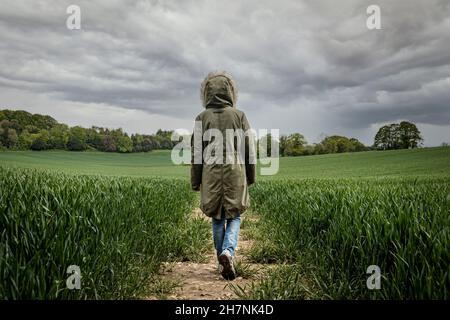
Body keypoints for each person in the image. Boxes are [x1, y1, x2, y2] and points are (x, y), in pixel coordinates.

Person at [191, 71, 256, 281]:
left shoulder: (201, 118)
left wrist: (195, 180)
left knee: (217, 219)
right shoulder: (240, 116)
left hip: (210, 175)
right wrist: (251, 175)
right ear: (230, 91)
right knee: (235, 215)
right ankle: (228, 252)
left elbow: (196, 154)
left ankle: (221, 260)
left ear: (207, 93)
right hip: (235, 173)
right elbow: (249, 149)